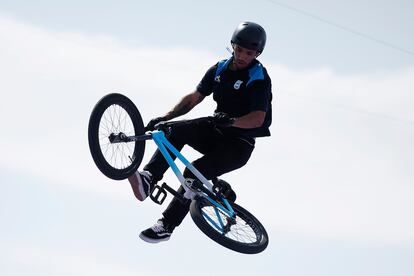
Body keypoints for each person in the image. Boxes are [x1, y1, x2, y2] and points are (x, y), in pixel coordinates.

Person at [128, 21, 272, 243]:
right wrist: (166, 117)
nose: (243, 56)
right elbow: (194, 98)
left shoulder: (258, 77)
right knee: (173, 131)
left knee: (193, 173)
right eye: (239, 50)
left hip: (239, 144)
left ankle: (166, 226)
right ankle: (148, 179)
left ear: (257, 53)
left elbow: (258, 118)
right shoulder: (219, 69)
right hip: (216, 131)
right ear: (232, 45)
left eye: (249, 53)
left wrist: (232, 121)